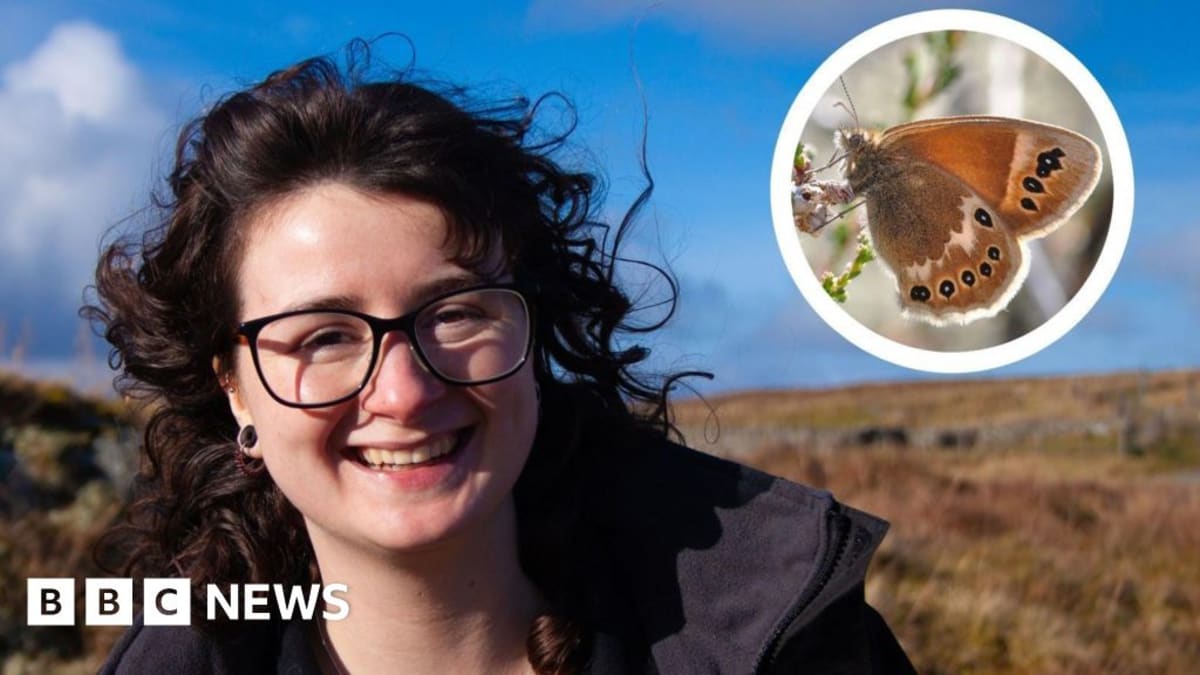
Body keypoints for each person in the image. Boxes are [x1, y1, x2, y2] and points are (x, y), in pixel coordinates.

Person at [87, 40, 914, 674]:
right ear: (234, 390)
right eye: (324, 336)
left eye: (456, 312)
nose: (405, 392)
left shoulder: (794, 642)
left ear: (532, 335)